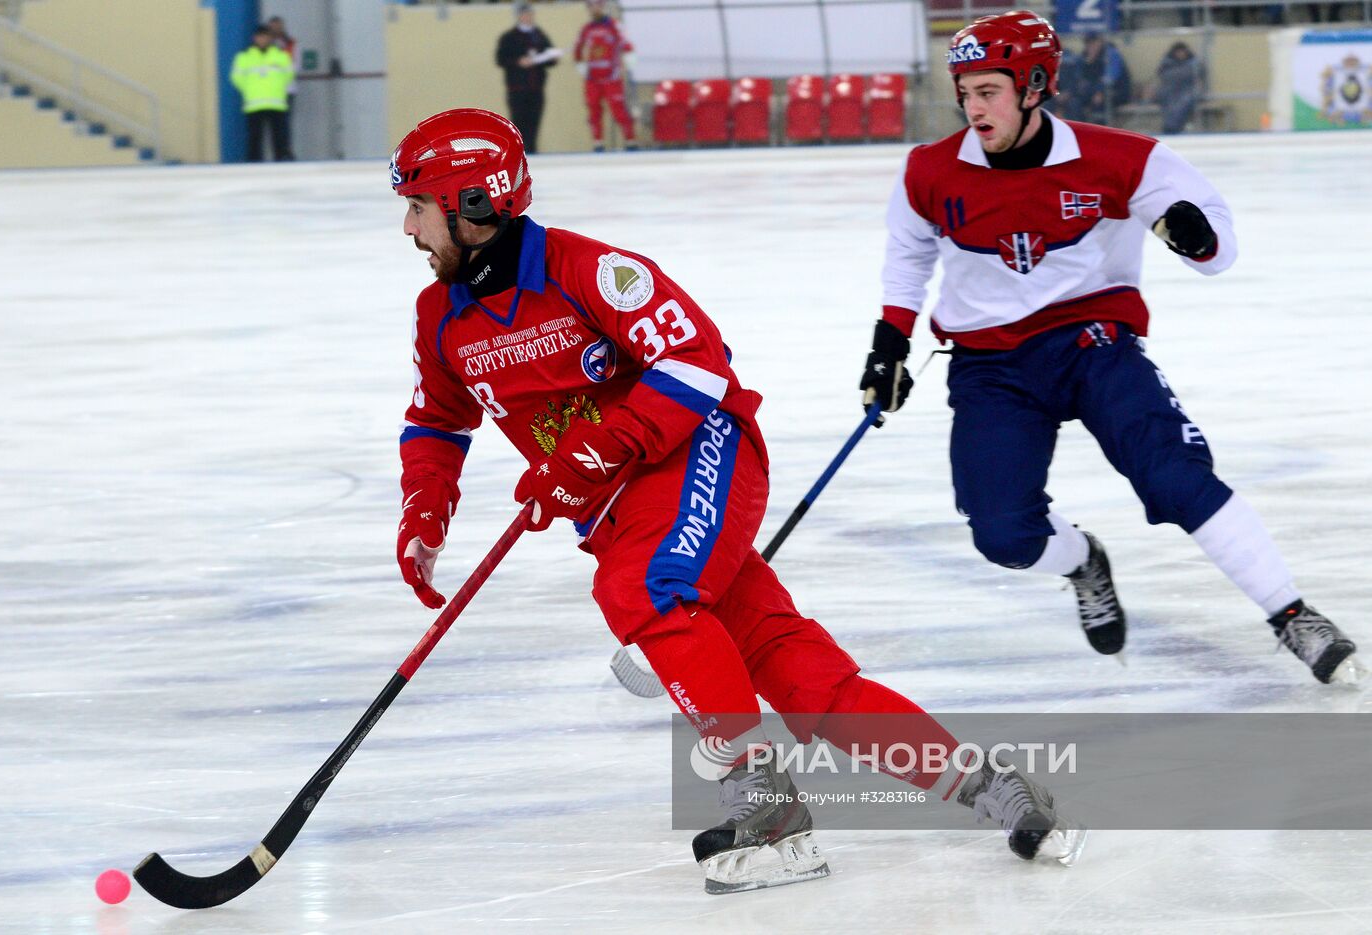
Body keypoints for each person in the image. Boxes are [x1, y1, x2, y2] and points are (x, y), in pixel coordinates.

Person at [389, 108, 1085, 893]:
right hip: (619, 511)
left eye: (419, 207)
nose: (411, 229)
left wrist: (599, 445)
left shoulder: (592, 270)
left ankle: (767, 802)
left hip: (699, 452)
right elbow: (436, 419)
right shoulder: (439, 315)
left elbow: (696, 362)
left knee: (640, 589)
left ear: (474, 202)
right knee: (796, 673)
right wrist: (425, 509)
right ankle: (992, 786)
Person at [858, 11, 1361, 684]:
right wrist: (890, 342)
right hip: (990, 367)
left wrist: (1194, 235)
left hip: (1093, 344)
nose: (972, 107)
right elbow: (909, 257)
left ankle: (1292, 613)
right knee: (1002, 536)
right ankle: (1082, 561)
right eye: (965, 91)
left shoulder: (1124, 158)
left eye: (989, 91)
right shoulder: (929, 171)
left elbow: (1218, 252)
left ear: (1034, 86)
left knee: (1176, 477)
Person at [495, 2, 559, 154]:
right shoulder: (509, 37)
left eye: (530, 14)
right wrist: (518, 61)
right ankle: (518, 154)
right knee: (518, 122)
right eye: (525, 14)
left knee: (534, 122)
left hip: (536, 88)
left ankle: (532, 153)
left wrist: (549, 57)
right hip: (517, 88)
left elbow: (550, 58)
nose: (528, 17)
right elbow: (501, 59)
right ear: (518, 16)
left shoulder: (539, 35)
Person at [573, 0, 637, 152]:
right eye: (590, 6)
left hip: (611, 78)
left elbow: (625, 43)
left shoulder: (614, 25)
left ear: (602, 6)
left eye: (596, 4)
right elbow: (577, 48)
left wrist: (629, 56)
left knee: (619, 110)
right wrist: (580, 64)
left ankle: (630, 141)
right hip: (593, 79)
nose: (593, 8)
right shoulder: (586, 29)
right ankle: (598, 143)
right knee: (594, 111)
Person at [230, 25, 295, 162]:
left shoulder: (281, 56)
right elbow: (236, 78)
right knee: (254, 138)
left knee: (279, 138)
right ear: (255, 38)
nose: (262, 39)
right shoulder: (244, 57)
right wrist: (249, 89)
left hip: (276, 103)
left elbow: (289, 75)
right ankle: (254, 164)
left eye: (265, 37)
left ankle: (281, 162)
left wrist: (277, 88)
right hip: (254, 104)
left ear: (270, 38)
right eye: (260, 37)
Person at [1064, 31, 1131, 126]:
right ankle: (1079, 132)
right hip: (1093, 91)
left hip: (1116, 91)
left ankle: (1102, 133)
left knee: (1101, 103)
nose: (1091, 46)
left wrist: (1100, 92)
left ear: (1100, 42)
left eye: (1094, 42)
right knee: (1074, 103)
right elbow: (1078, 79)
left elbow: (1111, 78)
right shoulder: (1084, 57)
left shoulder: (1111, 54)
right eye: (1088, 43)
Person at [1154, 41, 1205, 135]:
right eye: (1178, 52)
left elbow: (1198, 80)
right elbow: (1163, 78)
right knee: (1168, 100)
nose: (1180, 54)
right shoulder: (1166, 64)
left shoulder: (1194, 64)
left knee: (1183, 102)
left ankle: (1172, 127)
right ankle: (1171, 126)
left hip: (1187, 90)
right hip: (1170, 90)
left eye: (1182, 52)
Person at [267, 15, 301, 149]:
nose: (275, 29)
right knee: (273, 125)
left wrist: (278, 73)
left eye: (278, 26)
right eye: (272, 27)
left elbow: (296, 66)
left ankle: (286, 152)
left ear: (282, 27)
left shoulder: (292, 44)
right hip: (269, 91)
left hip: (287, 90)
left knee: (285, 123)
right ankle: (277, 153)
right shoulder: (264, 45)